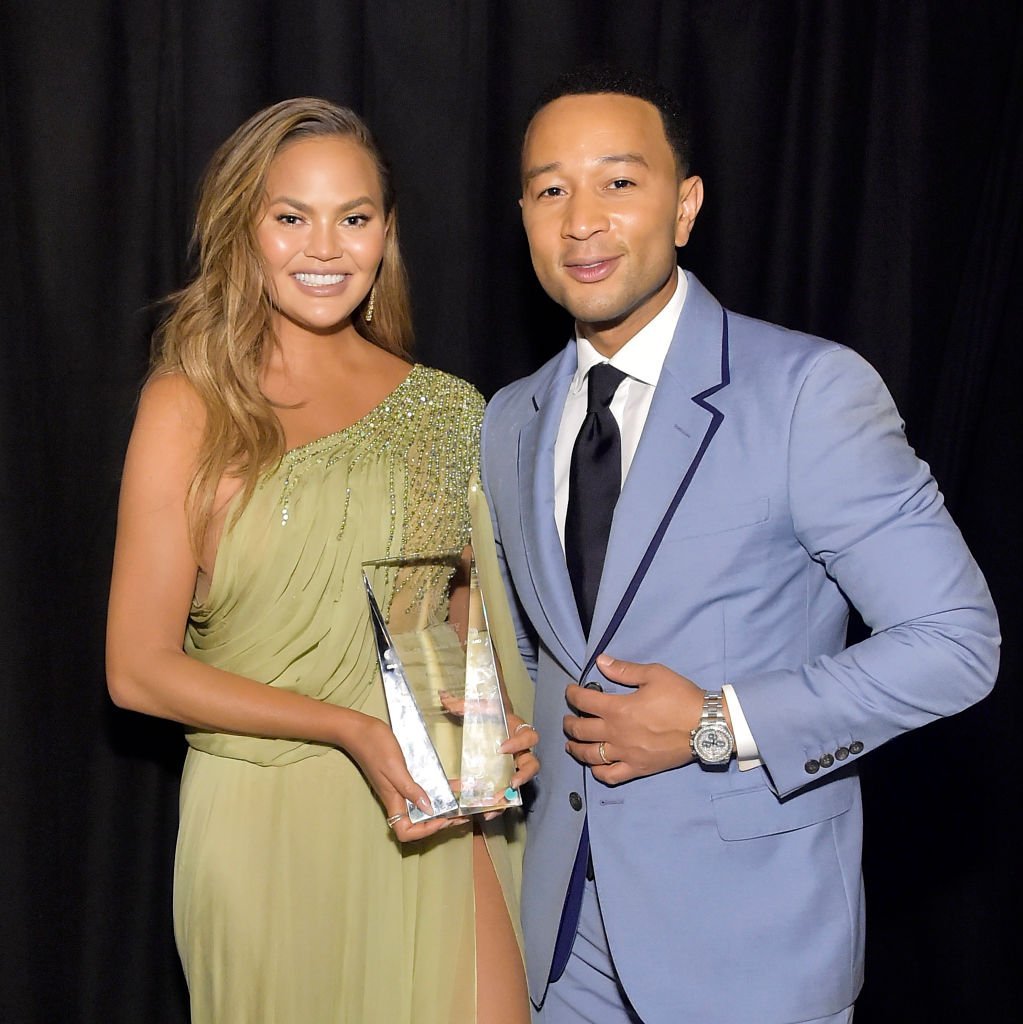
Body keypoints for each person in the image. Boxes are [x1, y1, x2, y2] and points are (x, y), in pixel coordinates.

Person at [479, 66, 1000, 1024]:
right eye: (550, 189)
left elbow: (956, 642)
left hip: (749, 948)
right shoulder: (510, 419)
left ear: (684, 207)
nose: (581, 219)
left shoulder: (807, 391)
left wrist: (718, 723)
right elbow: (540, 645)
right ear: (523, 217)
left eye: (618, 182)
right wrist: (489, 727)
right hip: (556, 943)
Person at [106, 97, 537, 1024]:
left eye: (354, 217)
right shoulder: (190, 404)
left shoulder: (448, 410)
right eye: (290, 216)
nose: (325, 246)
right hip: (263, 823)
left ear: (386, 232)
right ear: (243, 230)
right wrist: (346, 727)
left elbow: (458, 637)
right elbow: (137, 673)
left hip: (427, 814)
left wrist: (493, 720)